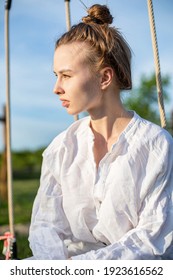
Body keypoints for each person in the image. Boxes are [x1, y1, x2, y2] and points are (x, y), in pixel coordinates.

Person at [28, 4, 173, 260]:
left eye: (66, 76)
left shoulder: (156, 145)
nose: (56, 88)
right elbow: (44, 228)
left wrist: (78, 269)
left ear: (105, 78)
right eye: (56, 76)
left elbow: (152, 237)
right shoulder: (61, 148)